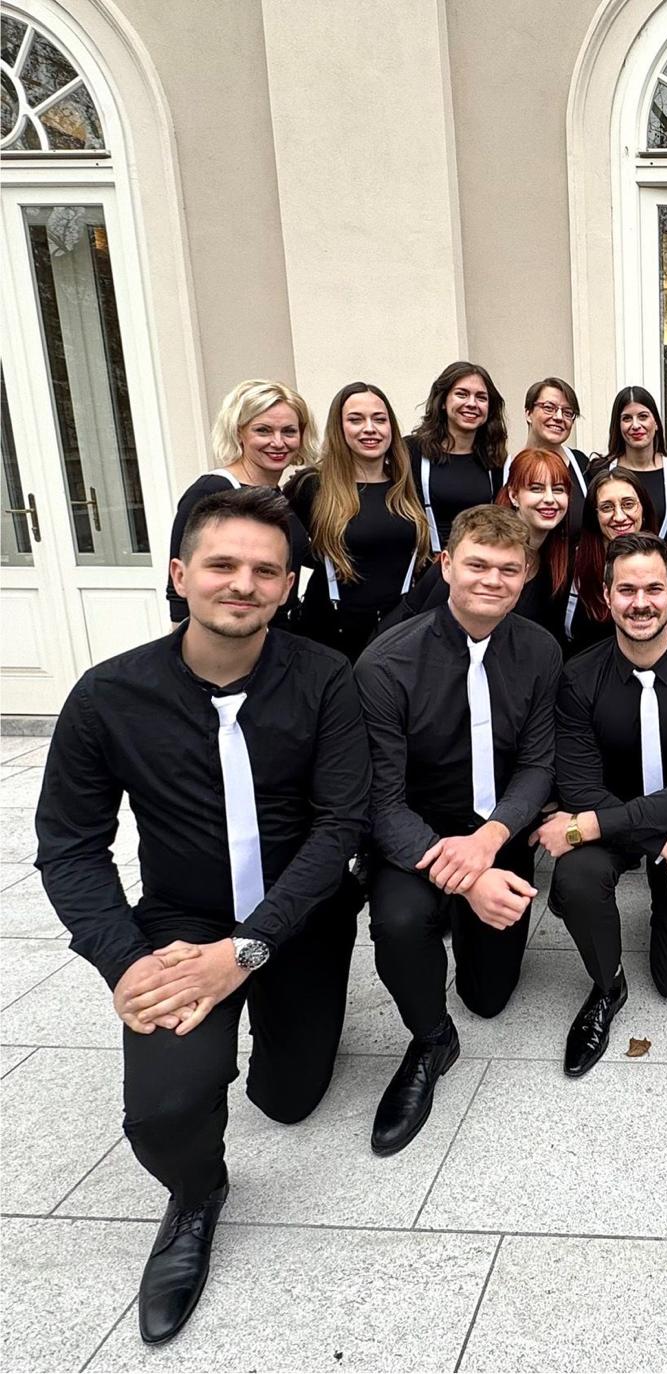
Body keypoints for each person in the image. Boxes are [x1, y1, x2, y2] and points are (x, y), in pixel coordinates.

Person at [35, 486, 369, 1345]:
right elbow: (70, 848)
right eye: (222, 565)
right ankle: (195, 1195)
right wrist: (127, 963)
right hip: (179, 924)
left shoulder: (325, 679)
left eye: (265, 570)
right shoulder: (108, 696)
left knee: (288, 1101)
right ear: (180, 574)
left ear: (287, 586)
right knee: (163, 1112)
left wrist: (248, 950)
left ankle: (282, 1027)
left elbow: (339, 827)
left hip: (299, 918)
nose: (243, 584)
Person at [354, 504, 562, 1157]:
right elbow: (381, 801)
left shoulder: (539, 650)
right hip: (415, 834)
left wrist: (491, 840)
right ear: (446, 565)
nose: (492, 580)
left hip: (497, 830)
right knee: (398, 922)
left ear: (526, 575)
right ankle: (430, 1039)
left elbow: (538, 765)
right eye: (477, 564)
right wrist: (467, 877)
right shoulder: (385, 664)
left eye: (508, 569)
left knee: (488, 997)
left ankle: (465, 925)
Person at [535, 533, 667, 1075]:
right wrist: (663, 844)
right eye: (627, 590)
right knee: (577, 877)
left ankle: (657, 900)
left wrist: (593, 827)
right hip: (617, 816)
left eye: (653, 588)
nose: (640, 603)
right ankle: (608, 986)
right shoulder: (578, 677)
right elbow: (580, 787)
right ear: (606, 596)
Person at [290, 381, 432, 661]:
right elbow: (289, 548)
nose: (370, 428)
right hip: (330, 634)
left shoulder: (406, 485)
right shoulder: (312, 486)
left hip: (396, 633)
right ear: (339, 428)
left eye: (379, 419)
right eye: (356, 420)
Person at [166, 379, 316, 626]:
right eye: (263, 430)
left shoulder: (279, 495)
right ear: (239, 433)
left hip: (281, 634)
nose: (278, 442)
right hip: (234, 638)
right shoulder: (212, 490)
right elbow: (179, 593)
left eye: (289, 431)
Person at [387, 447, 573, 640]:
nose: (550, 499)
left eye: (558, 490)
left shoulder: (559, 563)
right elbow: (418, 628)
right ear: (514, 496)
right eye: (536, 488)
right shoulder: (472, 552)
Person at [407, 361, 510, 552]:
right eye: (462, 394)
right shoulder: (412, 452)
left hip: (478, 563)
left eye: (481, 397)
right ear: (443, 401)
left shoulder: (496, 460)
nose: (472, 404)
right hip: (426, 565)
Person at [562, 469, 655, 656]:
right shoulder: (572, 567)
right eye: (607, 507)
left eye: (628, 504)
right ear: (594, 516)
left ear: (643, 508)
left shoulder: (665, 567)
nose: (619, 517)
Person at [594, 386, 667, 539]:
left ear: (656, 423)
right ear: (618, 426)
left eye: (643, 416)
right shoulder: (599, 470)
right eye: (627, 418)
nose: (635, 425)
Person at [524, 376, 591, 527]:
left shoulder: (582, 465)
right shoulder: (505, 468)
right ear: (528, 413)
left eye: (567, 412)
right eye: (549, 408)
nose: (559, 417)